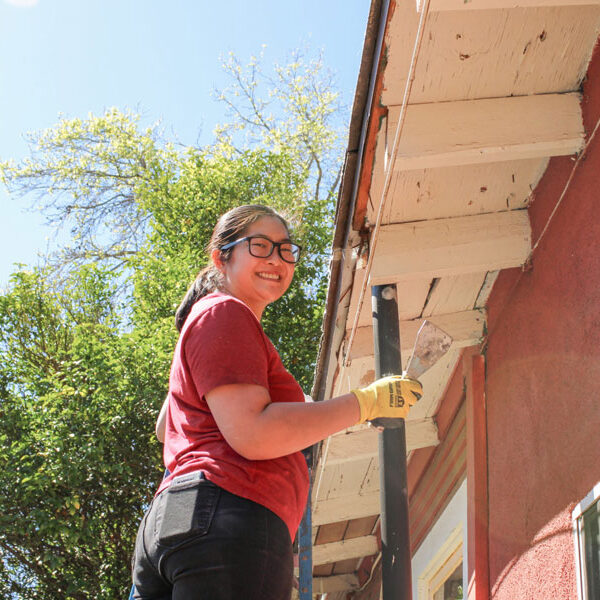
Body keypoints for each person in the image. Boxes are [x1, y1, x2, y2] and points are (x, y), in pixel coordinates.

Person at [131, 204, 422, 600]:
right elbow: (253, 433)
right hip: (230, 511)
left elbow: (167, 426)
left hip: (178, 520)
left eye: (286, 249)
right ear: (222, 257)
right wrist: (366, 403)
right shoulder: (226, 313)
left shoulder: (212, 320)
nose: (277, 259)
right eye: (261, 246)